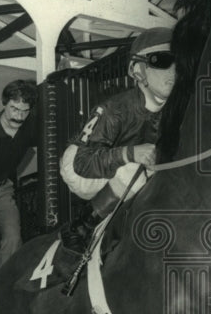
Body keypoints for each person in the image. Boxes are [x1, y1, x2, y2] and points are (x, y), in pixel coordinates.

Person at [60, 26, 176, 255]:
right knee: (135, 170)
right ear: (137, 70)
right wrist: (129, 153)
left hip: (119, 166)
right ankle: (80, 227)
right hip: (81, 165)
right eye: (161, 60)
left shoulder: (173, 111)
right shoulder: (116, 108)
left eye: (179, 62)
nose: (172, 70)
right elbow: (82, 162)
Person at [0, 79, 38, 270]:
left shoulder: (29, 127)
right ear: (4, 104)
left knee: (13, 238)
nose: (19, 116)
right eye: (14, 108)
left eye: (24, 110)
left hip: (2, 189)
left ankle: (3, 288)